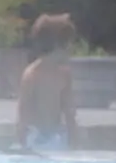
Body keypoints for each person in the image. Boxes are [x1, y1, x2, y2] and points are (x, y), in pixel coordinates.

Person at [15, 13, 78, 151]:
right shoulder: (32, 75)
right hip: (35, 137)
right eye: (69, 43)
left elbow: (69, 111)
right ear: (59, 45)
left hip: (57, 135)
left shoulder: (64, 74)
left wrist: (73, 143)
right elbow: (23, 112)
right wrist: (22, 142)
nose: (71, 49)